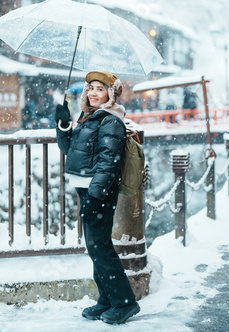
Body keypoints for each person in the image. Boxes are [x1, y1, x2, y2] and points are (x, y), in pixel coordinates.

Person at [55, 71, 140, 325]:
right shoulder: (89, 116)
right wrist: (63, 125)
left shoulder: (110, 120)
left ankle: (124, 302)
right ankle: (106, 300)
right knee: (95, 246)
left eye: (99, 89)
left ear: (110, 94)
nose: (93, 93)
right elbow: (70, 149)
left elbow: (108, 163)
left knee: (99, 247)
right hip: (88, 188)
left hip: (98, 190)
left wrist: (95, 195)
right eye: (90, 88)